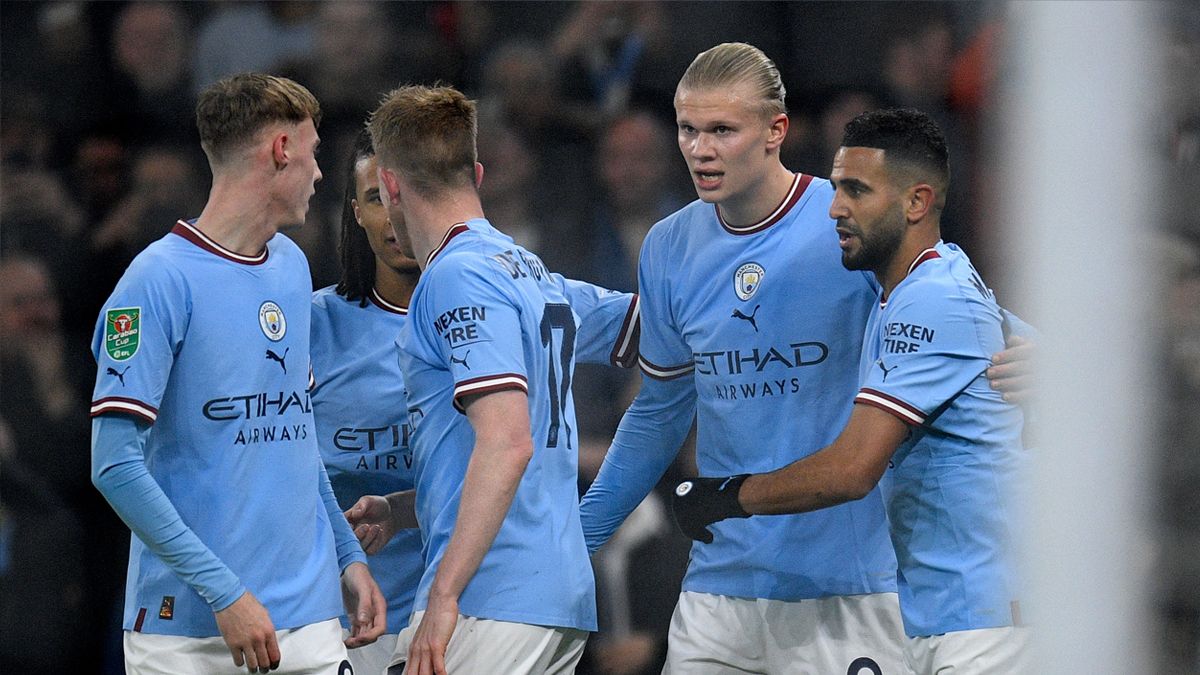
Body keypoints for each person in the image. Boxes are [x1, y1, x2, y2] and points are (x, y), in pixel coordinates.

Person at [579, 43, 1032, 674]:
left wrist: (1042, 351)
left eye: (721, 130)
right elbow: (658, 413)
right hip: (719, 585)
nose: (700, 149)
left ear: (775, 131)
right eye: (687, 129)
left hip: (848, 584)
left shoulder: (849, 221)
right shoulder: (668, 247)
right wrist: (579, 542)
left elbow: (957, 306)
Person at [89, 73, 385, 674]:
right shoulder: (155, 282)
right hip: (190, 636)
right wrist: (223, 592)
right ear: (281, 150)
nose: (320, 174)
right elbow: (114, 465)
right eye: (314, 153)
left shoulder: (291, 268)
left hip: (309, 624)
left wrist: (347, 555)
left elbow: (295, 435)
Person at [367, 84, 640, 675]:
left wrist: (443, 595)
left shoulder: (457, 277)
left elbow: (508, 440)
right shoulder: (528, 272)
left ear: (390, 185)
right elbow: (648, 329)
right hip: (551, 594)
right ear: (478, 173)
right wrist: (406, 509)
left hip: (491, 596)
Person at [309, 127, 424, 675]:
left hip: (461, 614)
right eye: (377, 198)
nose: (394, 215)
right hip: (334, 623)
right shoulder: (311, 324)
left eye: (404, 193)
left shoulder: (490, 317)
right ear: (356, 213)